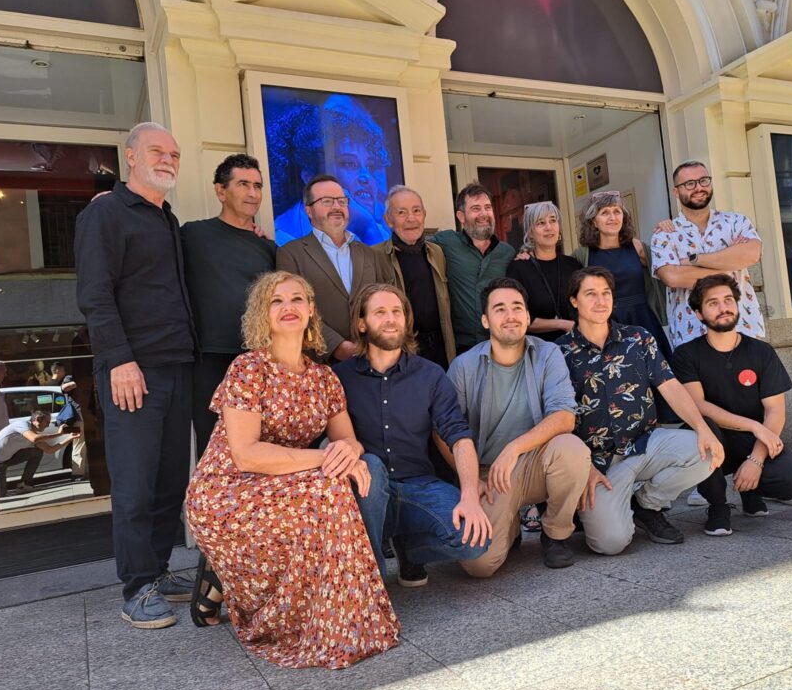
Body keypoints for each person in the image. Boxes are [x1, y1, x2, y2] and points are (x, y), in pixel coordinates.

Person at [185, 271, 399, 669]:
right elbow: (246, 456)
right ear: (262, 315)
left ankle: (346, 608)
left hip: (287, 483)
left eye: (297, 299)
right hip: (227, 489)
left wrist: (348, 452)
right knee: (329, 487)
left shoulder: (324, 378)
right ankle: (322, 618)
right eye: (276, 301)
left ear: (311, 310)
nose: (288, 308)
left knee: (347, 475)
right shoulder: (248, 369)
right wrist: (327, 458)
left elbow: (347, 439)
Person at [75, 121, 198, 629]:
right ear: (130, 157)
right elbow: (95, 295)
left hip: (176, 365)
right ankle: (136, 586)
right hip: (133, 370)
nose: (167, 159)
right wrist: (119, 359)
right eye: (156, 151)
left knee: (171, 478)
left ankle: (160, 569)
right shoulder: (104, 213)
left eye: (173, 152)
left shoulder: (167, 218)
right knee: (134, 483)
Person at [557, 267, 723, 554]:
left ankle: (646, 505)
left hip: (644, 445)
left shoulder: (638, 338)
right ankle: (605, 509)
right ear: (574, 301)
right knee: (610, 543)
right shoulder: (559, 353)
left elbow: (670, 386)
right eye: (591, 294)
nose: (600, 301)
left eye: (606, 293)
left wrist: (702, 428)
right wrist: (581, 469)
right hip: (598, 464)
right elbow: (557, 419)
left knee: (707, 451)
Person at [335, 283, 491, 587]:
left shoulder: (430, 374)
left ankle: (411, 551)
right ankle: (370, 587)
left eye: (397, 312)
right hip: (367, 493)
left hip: (418, 487)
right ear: (361, 323)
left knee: (475, 541)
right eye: (380, 312)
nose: (391, 319)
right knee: (372, 465)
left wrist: (470, 495)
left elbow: (458, 436)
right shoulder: (340, 378)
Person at [447, 277, 590, 576]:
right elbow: (443, 432)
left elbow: (565, 417)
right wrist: (471, 484)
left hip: (535, 462)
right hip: (489, 473)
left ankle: (555, 533)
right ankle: (509, 528)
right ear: (486, 320)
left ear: (527, 316)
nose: (510, 315)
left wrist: (514, 448)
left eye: (517, 308)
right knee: (478, 564)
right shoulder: (463, 366)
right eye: (499, 309)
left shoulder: (548, 354)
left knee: (572, 449)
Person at [672, 274, 792, 537]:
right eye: (712, 303)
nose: (723, 307)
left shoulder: (761, 352)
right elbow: (698, 406)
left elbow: (775, 410)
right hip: (714, 437)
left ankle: (751, 491)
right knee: (699, 431)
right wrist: (755, 427)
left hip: (751, 440)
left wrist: (756, 460)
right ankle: (718, 506)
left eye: (728, 300)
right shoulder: (686, 354)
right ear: (699, 314)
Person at [181, 153, 276, 456]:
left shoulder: (268, 247)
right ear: (221, 191)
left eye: (258, 186)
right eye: (243, 184)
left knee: (260, 449)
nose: (252, 193)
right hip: (209, 359)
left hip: (258, 361)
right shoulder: (192, 235)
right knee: (214, 449)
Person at [276, 174, 393, 363]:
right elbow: (293, 309)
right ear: (309, 210)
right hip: (320, 363)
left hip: (371, 359)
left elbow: (386, 301)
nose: (337, 207)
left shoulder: (370, 254)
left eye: (342, 201)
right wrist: (336, 345)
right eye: (327, 201)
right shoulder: (291, 254)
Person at [650, 160, 765, 349]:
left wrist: (694, 261)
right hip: (690, 333)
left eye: (704, 180)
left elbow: (752, 254)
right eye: (689, 184)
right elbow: (672, 276)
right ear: (676, 192)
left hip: (743, 327)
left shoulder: (736, 222)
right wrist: (728, 266)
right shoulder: (665, 233)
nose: (698, 188)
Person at [272, 95, 392, 245]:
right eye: (349, 164)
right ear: (311, 177)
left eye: (370, 166)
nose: (366, 176)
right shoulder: (284, 237)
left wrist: (369, 229)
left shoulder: (378, 231)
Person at [573, 190, 670, 357]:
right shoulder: (583, 255)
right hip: (605, 323)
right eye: (605, 213)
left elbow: (670, 267)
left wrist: (670, 231)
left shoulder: (638, 247)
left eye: (617, 211)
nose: (612, 217)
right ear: (593, 222)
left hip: (643, 320)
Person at [373, 186, 456, 366]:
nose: (411, 219)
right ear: (388, 220)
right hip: (402, 351)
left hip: (441, 348)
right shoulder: (375, 256)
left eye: (416, 211)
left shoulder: (437, 253)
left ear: (424, 215)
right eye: (401, 212)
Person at [429, 183, 515, 353]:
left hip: (499, 345)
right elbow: (413, 245)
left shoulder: (508, 252)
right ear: (461, 216)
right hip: (460, 348)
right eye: (476, 208)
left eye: (488, 207)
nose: (484, 214)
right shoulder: (446, 242)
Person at [506, 201, 582, 342]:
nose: (549, 227)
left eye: (553, 221)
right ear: (530, 233)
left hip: (576, 347)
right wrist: (562, 324)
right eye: (541, 223)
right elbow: (517, 317)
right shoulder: (518, 269)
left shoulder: (573, 265)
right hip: (538, 351)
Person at [0, 410, 77, 496]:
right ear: (37, 419)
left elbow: (50, 450)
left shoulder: (31, 433)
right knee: (1, 494)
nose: (48, 425)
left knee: (37, 452)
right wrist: (58, 434)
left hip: (7, 459)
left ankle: (24, 485)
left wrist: (69, 438)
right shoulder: (22, 425)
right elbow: (34, 438)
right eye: (47, 422)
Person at [51, 361, 87, 479]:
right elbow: (64, 388)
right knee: (79, 445)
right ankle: (78, 473)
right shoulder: (70, 378)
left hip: (84, 416)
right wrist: (80, 381)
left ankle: (82, 471)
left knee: (83, 445)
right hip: (78, 417)